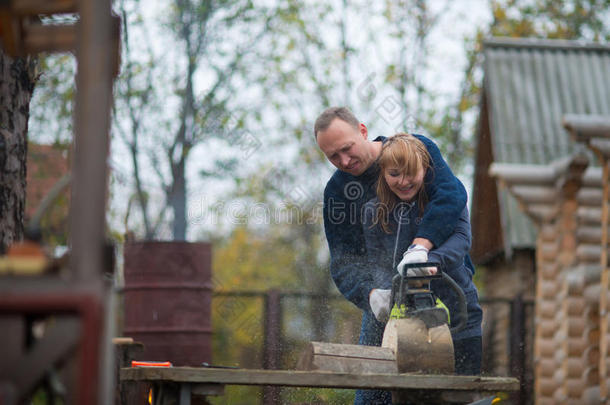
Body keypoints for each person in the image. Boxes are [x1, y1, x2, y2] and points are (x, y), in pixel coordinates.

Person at [314, 107, 470, 404]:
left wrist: (421, 247)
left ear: (362, 130)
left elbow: (451, 195)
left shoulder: (415, 149)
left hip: (443, 294)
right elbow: (344, 260)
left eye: (347, 149)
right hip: (385, 308)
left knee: (445, 394)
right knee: (373, 396)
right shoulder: (337, 192)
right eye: (333, 156)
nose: (344, 161)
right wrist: (370, 293)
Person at [360, 133, 483, 404]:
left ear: (425, 170)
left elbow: (461, 240)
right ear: (383, 173)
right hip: (404, 325)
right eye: (394, 174)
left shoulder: (446, 200)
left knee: (459, 397)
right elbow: (376, 260)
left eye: (410, 173)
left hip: (457, 313)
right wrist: (382, 290)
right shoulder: (373, 211)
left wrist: (427, 260)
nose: (403, 182)